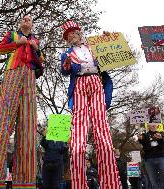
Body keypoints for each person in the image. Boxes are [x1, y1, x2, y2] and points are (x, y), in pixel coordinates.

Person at [60, 20, 121, 189]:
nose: (71, 35)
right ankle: (79, 184)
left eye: (73, 32)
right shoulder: (66, 54)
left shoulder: (94, 46)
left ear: (80, 32)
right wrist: (66, 66)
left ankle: (111, 183)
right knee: (78, 134)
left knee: (103, 131)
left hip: (96, 82)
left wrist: (109, 40)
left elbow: (110, 56)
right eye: (68, 35)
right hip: (79, 83)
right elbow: (64, 71)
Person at [0, 15, 44, 189]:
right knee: (4, 123)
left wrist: (36, 49)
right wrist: (18, 43)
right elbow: (1, 49)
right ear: (21, 23)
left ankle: (25, 183)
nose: (27, 21)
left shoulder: (36, 39)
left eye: (29, 19)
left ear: (32, 24)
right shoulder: (12, 34)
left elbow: (41, 60)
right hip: (12, 72)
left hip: (29, 76)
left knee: (27, 128)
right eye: (24, 19)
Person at [138, 122, 164, 189]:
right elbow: (142, 141)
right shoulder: (145, 135)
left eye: (154, 125)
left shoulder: (162, 133)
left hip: (161, 157)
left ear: (157, 126)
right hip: (149, 159)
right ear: (148, 126)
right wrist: (140, 139)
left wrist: (160, 138)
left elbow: (163, 142)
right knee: (153, 179)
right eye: (150, 125)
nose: (152, 126)